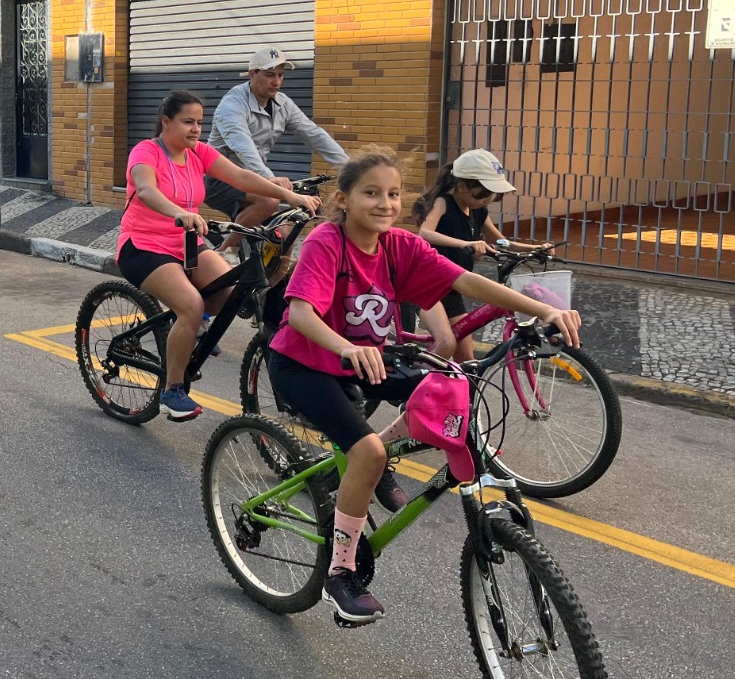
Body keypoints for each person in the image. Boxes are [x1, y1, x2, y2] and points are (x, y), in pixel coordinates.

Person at [265, 149, 583, 624]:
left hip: (366, 359)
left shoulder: (398, 245)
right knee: (369, 453)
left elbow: (465, 281)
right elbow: (300, 314)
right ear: (343, 199)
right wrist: (347, 348)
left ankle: (367, 468)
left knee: (439, 389)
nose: (385, 203)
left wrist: (542, 310)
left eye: (393, 194)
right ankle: (340, 572)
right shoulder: (326, 242)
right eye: (371, 193)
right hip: (305, 362)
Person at [119, 89, 320, 421]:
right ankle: (173, 390)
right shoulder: (146, 151)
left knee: (228, 297)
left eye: (199, 122)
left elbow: (241, 177)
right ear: (166, 122)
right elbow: (145, 189)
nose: (196, 129)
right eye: (188, 122)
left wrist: (289, 196)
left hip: (186, 242)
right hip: (143, 245)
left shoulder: (199, 152)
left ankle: (191, 328)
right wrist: (178, 213)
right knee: (192, 305)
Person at [414, 150, 552, 361]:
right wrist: (466, 243)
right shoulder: (443, 202)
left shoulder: (478, 210)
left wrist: (534, 249)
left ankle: (460, 392)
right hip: (425, 284)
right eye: (483, 193)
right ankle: (415, 387)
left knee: (466, 356)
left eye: (492, 195)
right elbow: (425, 233)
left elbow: (500, 241)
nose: (487, 200)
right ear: (461, 187)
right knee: (446, 342)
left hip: (452, 286)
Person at [208, 48, 349, 246]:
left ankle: (272, 275)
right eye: (269, 75)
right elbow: (242, 146)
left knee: (285, 232)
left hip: (253, 178)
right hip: (217, 177)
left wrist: (349, 168)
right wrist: (268, 179)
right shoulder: (232, 105)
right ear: (252, 74)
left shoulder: (283, 104)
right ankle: (225, 249)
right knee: (269, 201)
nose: (276, 81)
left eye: (280, 75)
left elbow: (313, 134)